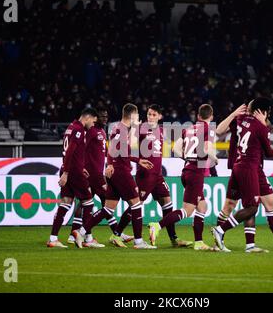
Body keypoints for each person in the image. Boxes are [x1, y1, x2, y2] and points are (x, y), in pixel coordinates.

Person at [211, 98, 273, 252]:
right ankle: (220, 234)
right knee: (241, 206)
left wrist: (260, 121)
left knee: (269, 202)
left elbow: (266, 127)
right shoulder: (248, 122)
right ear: (264, 112)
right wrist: (234, 114)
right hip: (247, 167)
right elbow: (269, 151)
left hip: (253, 168)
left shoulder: (246, 121)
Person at [72, 103, 156, 249]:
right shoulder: (121, 130)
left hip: (114, 172)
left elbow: (111, 150)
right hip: (122, 172)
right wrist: (137, 160)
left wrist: (110, 164)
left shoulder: (118, 129)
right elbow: (121, 153)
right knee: (136, 204)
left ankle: (81, 231)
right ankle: (138, 241)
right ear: (133, 115)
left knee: (108, 208)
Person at [115, 104, 193, 247]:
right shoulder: (142, 128)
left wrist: (185, 155)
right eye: (149, 114)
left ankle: (174, 239)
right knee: (136, 205)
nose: (150, 117)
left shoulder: (162, 131)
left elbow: (174, 146)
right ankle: (116, 234)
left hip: (157, 175)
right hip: (145, 175)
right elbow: (130, 144)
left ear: (160, 116)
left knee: (167, 203)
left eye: (154, 114)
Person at [148, 104, 217, 251]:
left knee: (202, 206)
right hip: (196, 174)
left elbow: (176, 149)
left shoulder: (189, 129)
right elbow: (206, 149)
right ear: (210, 117)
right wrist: (214, 159)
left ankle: (199, 242)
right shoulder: (208, 129)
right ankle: (157, 225)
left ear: (198, 116)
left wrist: (188, 158)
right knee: (187, 210)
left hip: (186, 171)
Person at [68, 108, 133, 247]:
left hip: (98, 172)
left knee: (87, 203)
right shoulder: (91, 131)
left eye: (106, 116)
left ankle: (74, 234)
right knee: (105, 201)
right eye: (102, 116)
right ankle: (114, 233)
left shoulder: (103, 132)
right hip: (92, 174)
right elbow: (81, 149)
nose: (105, 118)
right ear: (95, 118)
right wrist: (83, 167)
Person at [47, 108, 98, 248]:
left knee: (65, 203)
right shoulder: (79, 130)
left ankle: (53, 238)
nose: (93, 125)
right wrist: (67, 173)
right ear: (87, 118)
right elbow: (69, 152)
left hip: (70, 169)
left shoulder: (71, 127)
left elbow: (72, 152)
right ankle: (86, 238)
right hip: (73, 172)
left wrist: (78, 167)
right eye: (93, 122)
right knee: (88, 203)